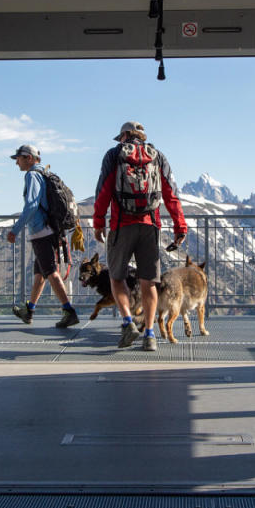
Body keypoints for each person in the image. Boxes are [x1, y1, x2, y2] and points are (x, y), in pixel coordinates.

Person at [93, 121, 188, 352]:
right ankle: (150, 335)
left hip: (120, 225)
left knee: (116, 278)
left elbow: (103, 190)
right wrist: (180, 227)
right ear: (142, 136)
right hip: (150, 226)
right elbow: (171, 193)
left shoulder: (113, 155)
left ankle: (127, 323)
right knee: (149, 282)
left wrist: (98, 223)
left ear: (124, 135)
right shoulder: (158, 156)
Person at [8, 144, 79, 329]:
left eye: (19, 158)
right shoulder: (44, 174)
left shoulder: (32, 175)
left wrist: (15, 230)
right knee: (40, 273)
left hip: (41, 231)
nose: (17, 162)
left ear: (29, 158)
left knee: (50, 272)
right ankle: (29, 311)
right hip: (50, 230)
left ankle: (69, 311)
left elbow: (31, 205)